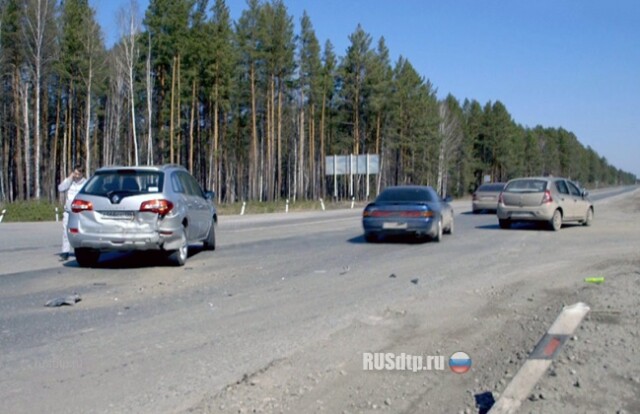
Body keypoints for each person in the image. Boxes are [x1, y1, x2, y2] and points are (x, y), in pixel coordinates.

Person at [58, 164, 87, 261]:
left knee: (78, 232)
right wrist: (69, 178)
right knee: (66, 231)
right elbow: (60, 188)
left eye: (78, 174)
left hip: (80, 212)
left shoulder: (85, 183)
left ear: (82, 174)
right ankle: (65, 252)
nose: (76, 176)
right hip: (68, 211)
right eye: (75, 173)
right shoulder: (70, 182)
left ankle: (80, 250)